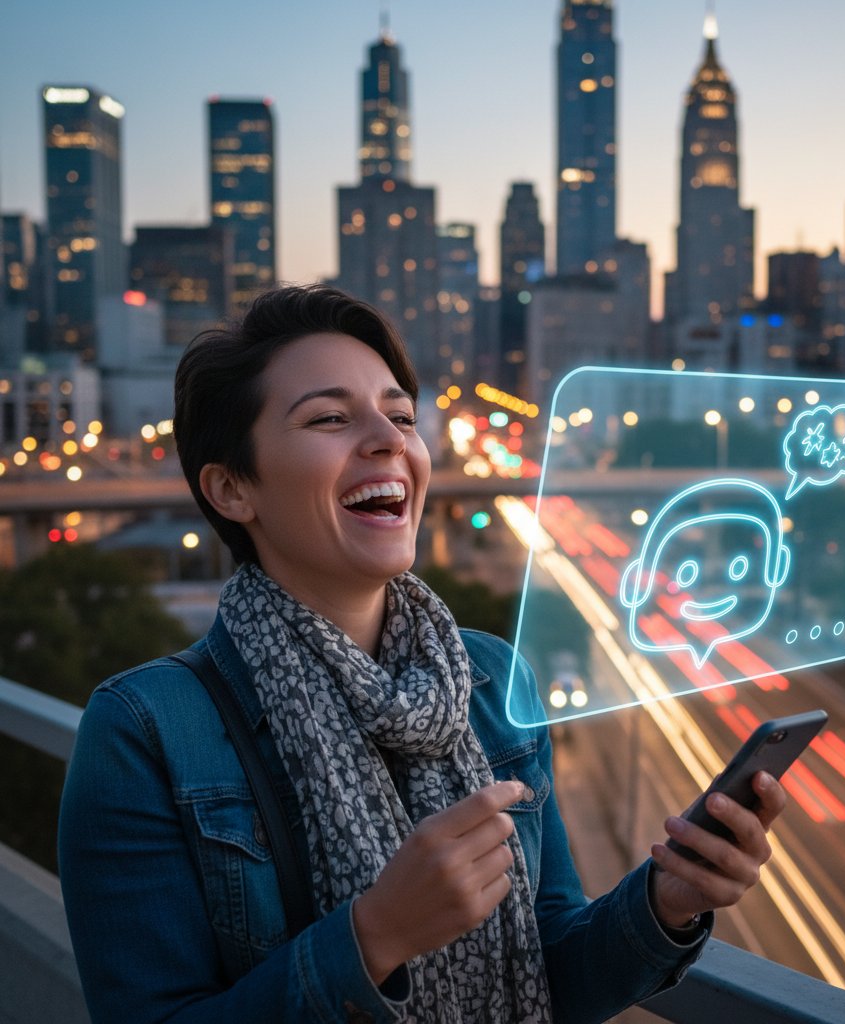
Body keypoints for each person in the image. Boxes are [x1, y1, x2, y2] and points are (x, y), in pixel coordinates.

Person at [58, 284, 787, 1024]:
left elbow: (548, 971)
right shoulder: (145, 732)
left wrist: (668, 901)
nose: (390, 440)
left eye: (402, 415)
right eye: (330, 418)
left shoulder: (494, 679)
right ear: (231, 487)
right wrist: (375, 937)